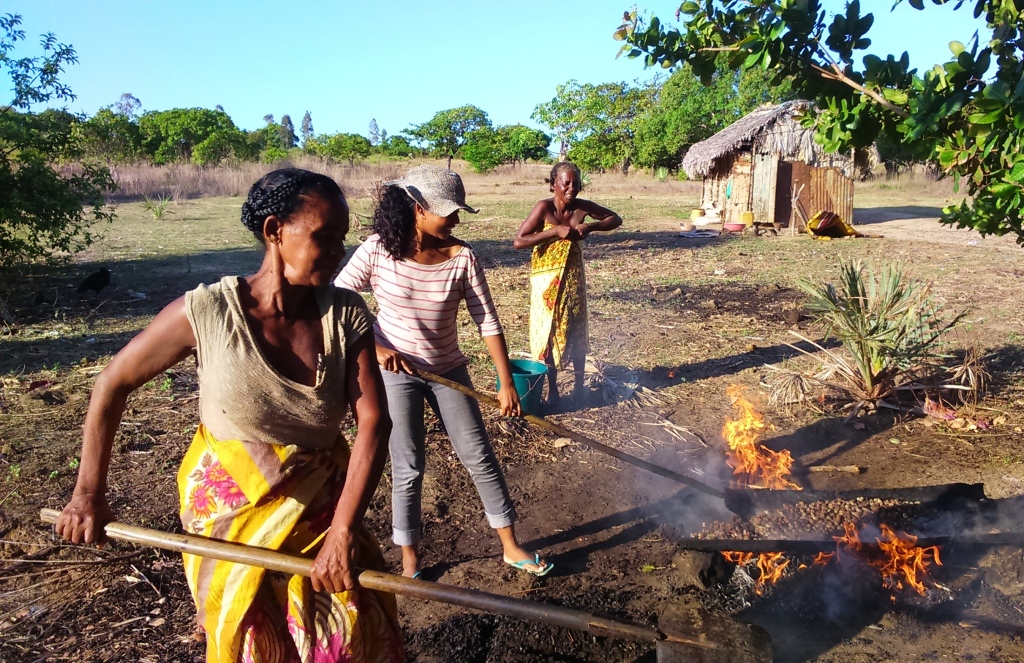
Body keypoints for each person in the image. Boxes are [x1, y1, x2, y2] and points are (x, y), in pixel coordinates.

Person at [55, 169, 404, 663]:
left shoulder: (344, 314)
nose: (336, 252)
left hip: (321, 514)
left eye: (342, 239)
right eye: (323, 237)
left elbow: (374, 422)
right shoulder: (208, 312)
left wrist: (344, 532)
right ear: (273, 231)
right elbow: (112, 383)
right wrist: (87, 494)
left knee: (348, 637)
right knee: (257, 647)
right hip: (229, 522)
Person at [335, 165, 553, 579]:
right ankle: (411, 561)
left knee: (479, 455)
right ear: (418, 209)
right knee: (409, 463)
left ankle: (510, 545)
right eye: (448, 212)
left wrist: (506, 382)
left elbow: (487, 321)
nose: (455, 220)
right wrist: (377, 348)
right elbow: (339, 303)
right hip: (395, 370)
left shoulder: (462, 258)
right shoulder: (378, 250)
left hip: (448, 369)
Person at [513, 162, 622, 407]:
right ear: (553, 184)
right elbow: (519, 242)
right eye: (566, 182)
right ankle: (553, 391)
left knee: (577, 332)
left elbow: (615, 219)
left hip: (573, 282)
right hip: (547, 284)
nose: (572, 187)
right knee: (550, 334)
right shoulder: (544, 208)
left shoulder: (582, 208)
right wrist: (554, 232)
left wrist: (591, 226)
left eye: (576, 182)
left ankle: (579, 388)